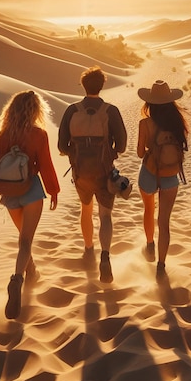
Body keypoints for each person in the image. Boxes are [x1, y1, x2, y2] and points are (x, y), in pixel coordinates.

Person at [0, 90, 60, 319]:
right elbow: (46, 164)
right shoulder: (39, 134)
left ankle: (31, 273)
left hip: (9, 194)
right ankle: (17, 279)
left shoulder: (4, 134)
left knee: (23, 238)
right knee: (26, 241)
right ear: (35, 110)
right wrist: (53, 190)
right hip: (30, 190)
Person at [58, 66, 127, 283]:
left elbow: (61, 145)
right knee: (105, 215)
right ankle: (104, 256)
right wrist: (110, 153)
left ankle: (89, 250)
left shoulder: (72, 110)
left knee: (86, 210)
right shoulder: (110, 110)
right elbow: (123, 144)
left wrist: (75, 155)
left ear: (83, 85)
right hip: (104, 172)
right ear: (102, 85)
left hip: (81, 174)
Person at [136, 80, 188, 280]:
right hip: (171, 176)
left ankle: (150, 246)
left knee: (149, 209)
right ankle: (161, 265)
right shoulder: (178, 122)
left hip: (149, 173)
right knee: (164, 222)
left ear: (150, 102)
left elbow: (140, 153)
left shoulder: (145, 123)